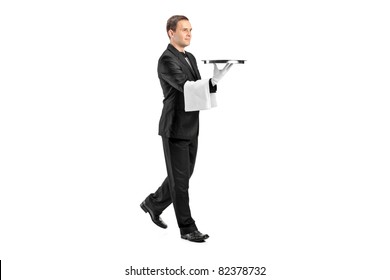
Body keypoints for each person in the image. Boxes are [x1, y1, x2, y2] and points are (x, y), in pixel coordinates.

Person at [140, 15, 233, 242]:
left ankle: (153, 203)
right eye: (184, 30)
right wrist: (210, 83)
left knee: (183, 176)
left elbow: (198, 90)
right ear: (171, 33)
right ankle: (187, 228)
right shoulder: (166, 60)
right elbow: (185, 88)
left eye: (191, 29)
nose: (189, 33)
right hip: (174, 128)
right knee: (180, 182)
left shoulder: (190, 57)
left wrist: (215, 80)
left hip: (191, 126)